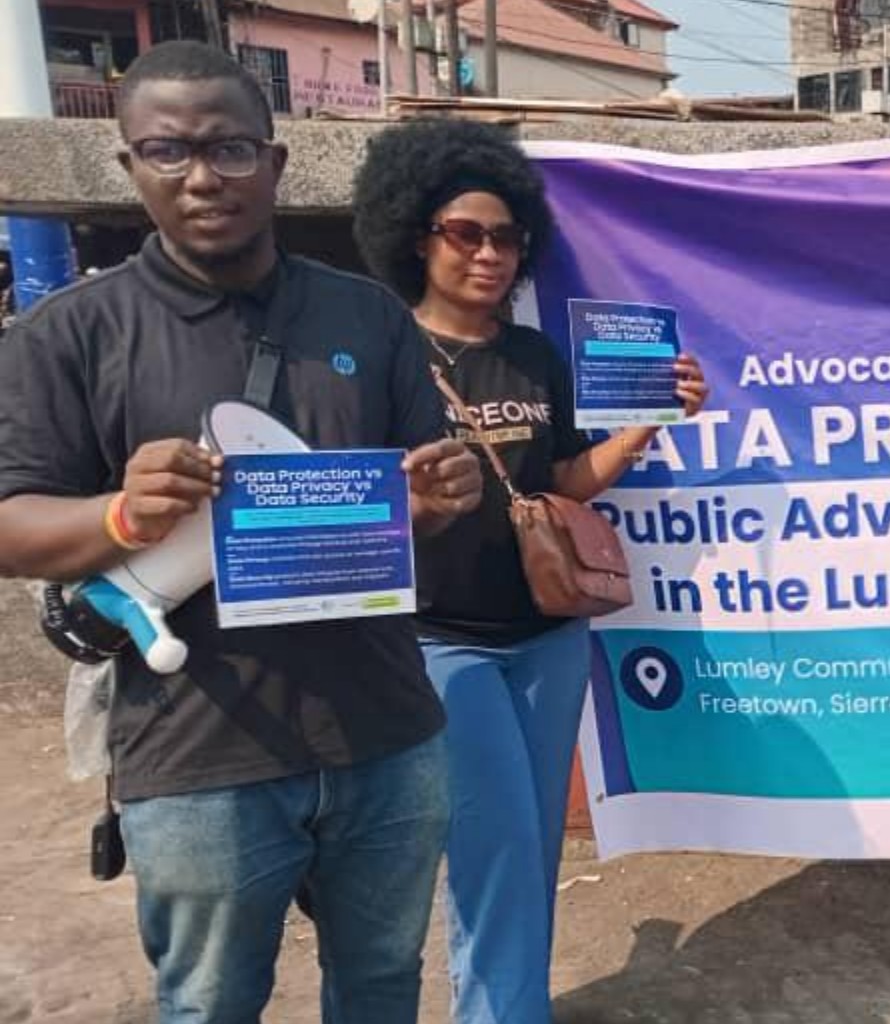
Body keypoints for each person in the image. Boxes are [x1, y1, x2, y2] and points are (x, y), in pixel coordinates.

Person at [0, 42, 481, 1022]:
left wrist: (437, 501)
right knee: (211, 1003)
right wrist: (119, 514)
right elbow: (13, 527)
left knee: (383, 984)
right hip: (196, 752)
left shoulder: (369, 316)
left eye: (229, 148)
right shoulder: (71, 332)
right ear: (128, 164)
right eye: (167, 151)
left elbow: (412, 500)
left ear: (275, 161)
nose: (202, 176)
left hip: (387, 734)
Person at [351, 119, 708, 1024]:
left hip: (550, 633)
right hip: (441, 641)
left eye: (506, 237)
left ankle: (510, 1003)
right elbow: (359, 509)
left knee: (535, 837)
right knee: (496, 839)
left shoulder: (535, 355)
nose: (489, 254)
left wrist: (647, 424)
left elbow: (561, 483)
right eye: (465, 233)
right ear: (416, 236)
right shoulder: (384, 359)